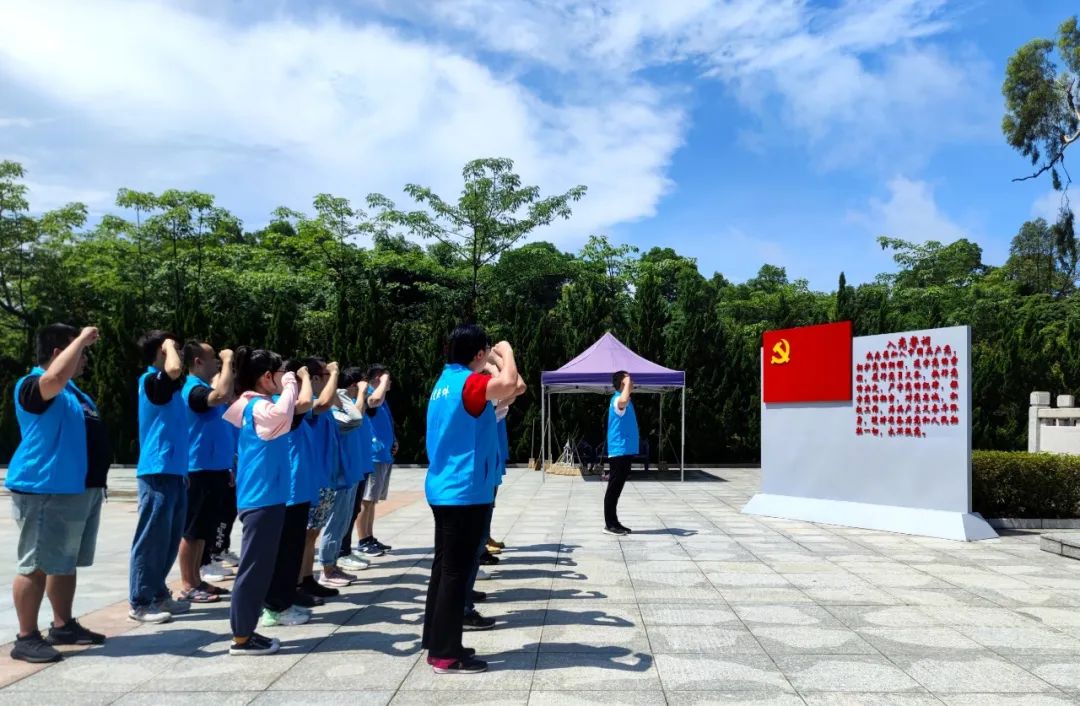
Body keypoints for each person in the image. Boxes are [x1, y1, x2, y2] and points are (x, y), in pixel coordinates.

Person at [6, 324, 109, 663]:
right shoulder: (33, 384)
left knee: (62, 563)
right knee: (35, 564)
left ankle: (63, 625)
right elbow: (49, 382)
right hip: (43, 490)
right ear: (57, 354)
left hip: (74, 490)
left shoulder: (74, 393)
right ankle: (25, 637)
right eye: (80, 353)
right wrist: (80, 338)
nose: (85, 360)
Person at [422, 325, 519, 675]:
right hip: (464, 490)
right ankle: (446, 654)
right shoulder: (469, 382)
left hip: (445, 486)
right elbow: (510, 384)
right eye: (487, 351)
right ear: (479, 354)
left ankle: (436, 639)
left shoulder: (444, 383)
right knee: (454, 575)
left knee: (444, 568)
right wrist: (506, 352)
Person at [223, 346, 304, 656]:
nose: (285, 380)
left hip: (266, 496)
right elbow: (284, 413)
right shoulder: (259, 408)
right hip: (261, 498)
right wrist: (292, 384)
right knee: (254, 569)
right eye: (280, 374)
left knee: (259, 567)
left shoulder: (253, 404)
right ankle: (241, 636)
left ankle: (246, 631)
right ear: (267, 377)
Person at [129, 331, 191, 624]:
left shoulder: (169, 387)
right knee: (152, 538)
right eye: (174, 347)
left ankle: (157, 594)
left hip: (175, 470)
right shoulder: (151, 380)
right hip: (157, 469)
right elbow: (175, 370)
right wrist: (168, 345)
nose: (178, 352)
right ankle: (140, 601)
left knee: (169, 538)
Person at [257, 357, 321, 628]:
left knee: (291, 548)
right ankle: (274, 607)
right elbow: (306, 402)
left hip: (297, 487)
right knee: (283, 550)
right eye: (282, 374)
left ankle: (285, 598)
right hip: (289, 488)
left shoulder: (281, 406)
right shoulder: (275, 407)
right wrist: (302, 378)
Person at [462, 367, 526, 630]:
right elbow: (515, 384)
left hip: (485, 475)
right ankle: (463, 606)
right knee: (469, 545)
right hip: (473, 482)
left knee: (475, 542)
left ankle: (466, 594)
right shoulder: (476, 403)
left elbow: (517, 386)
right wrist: (502, 355)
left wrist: (494, 365)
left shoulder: (489, 405)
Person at [177, 342, 235, 604]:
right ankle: (187, 584)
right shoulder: (193, 390)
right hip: (198, 470)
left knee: (204, 530)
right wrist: (229, 359)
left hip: (215, 469)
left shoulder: (208, 388)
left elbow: (226, 394)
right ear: (199, 361)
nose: (217, 363)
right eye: (213, 359)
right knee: (192, 530)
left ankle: (197, 578)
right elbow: (220, 397)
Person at [319, 365, 371, 586]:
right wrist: (353, 393)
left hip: (350, 470)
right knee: (335, 522)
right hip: (338, 474)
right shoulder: (332, 405)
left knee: (343, 520)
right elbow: (354, 418)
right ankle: (327, 568)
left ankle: (333, 564)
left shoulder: (339, 403)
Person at [354, 364, 396, 557]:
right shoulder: (370, 392)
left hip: (383, 454)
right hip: (373, 455)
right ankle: (363, 540)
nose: (390, 383)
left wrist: (394, 440)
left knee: (373, 501)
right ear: (378, 378)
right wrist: (383, 379)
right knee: (367, 500)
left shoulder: (384, 399)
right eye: (388, 378)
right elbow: (374, 401)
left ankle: (369, 537)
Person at [336, 368, 375, 571]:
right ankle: (340, 553)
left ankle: (345, 550)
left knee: (353, 511)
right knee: (345, 514)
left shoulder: (358, 403)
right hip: (349, 467)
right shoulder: (344, 404)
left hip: (361, 464)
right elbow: (356, 417)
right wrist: (360, 393)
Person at [604, 371, 637, 536]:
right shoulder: (618, 399)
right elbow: (622, 400)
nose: (633, 382)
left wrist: (627, 382)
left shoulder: (625, 400)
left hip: (624, 451)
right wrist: (627, 380)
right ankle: (609, 524)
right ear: (623, 383)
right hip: (619, 451)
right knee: (613, 488)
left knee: (617, 489)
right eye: (629, 379)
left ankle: (614, 522)